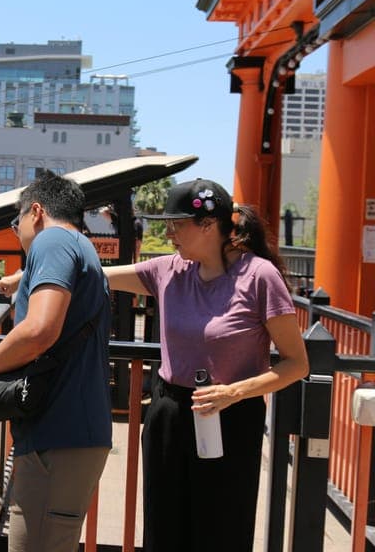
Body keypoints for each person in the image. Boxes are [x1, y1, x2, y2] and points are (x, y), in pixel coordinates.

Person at [104, 178, 309, 552]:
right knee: (163, 531)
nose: (168, 234)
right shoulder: (169, 270)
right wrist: (27, 276)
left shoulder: (259, 277)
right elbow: (96, 275)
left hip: (232, 416)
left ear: (209, 225)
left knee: (221, 532)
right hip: (169, 412)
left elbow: (297, 364)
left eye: (176, 224)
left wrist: (233, 392)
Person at [0, 170, 112, 552]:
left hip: (58, 437)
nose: (16, 234)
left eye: (15, 224)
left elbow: (40, 330)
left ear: (36, 212)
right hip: (72, 434)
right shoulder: (80, 245)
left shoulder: (52, 241)